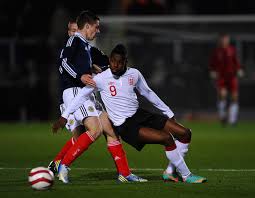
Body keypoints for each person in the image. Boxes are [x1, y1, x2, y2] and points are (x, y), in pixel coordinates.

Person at [53, 44, 207, 184]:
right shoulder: (100, 79)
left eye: (119, 62)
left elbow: (148, 93)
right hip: (125, 125)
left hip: (140, 115)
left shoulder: (134, 74)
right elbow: (81, 97)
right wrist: (64, 116)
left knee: (185, 133)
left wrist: (168, 111)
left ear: (125, 62)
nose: (114, 65)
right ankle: (186, 175)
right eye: (112, 61)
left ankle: (170, 172)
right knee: (167, 138)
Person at [51, 11, 145, 184]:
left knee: (111, 131)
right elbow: (63, 62)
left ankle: (124, 173)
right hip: (75, 91)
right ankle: (63, 165)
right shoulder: (74, 40)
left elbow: (104, 65)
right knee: (94, 129)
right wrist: (80, 75)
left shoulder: (87, 47)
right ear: (87, 26)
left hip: (87, 92)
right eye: (96, 26)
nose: (98, 31)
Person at [209, 34, 244, 125]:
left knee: (234, 97)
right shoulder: (217, 51)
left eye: (226, 39)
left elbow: (236, 61)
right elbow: (212, 63)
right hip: (221, 77)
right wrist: (212, 71)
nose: (225, 41)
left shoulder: (232, 49)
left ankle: (232, 120)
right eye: (223, 39)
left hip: (232, 77)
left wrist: (239, 69)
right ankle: (222, 116)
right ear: (221, 40)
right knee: (222, 95)